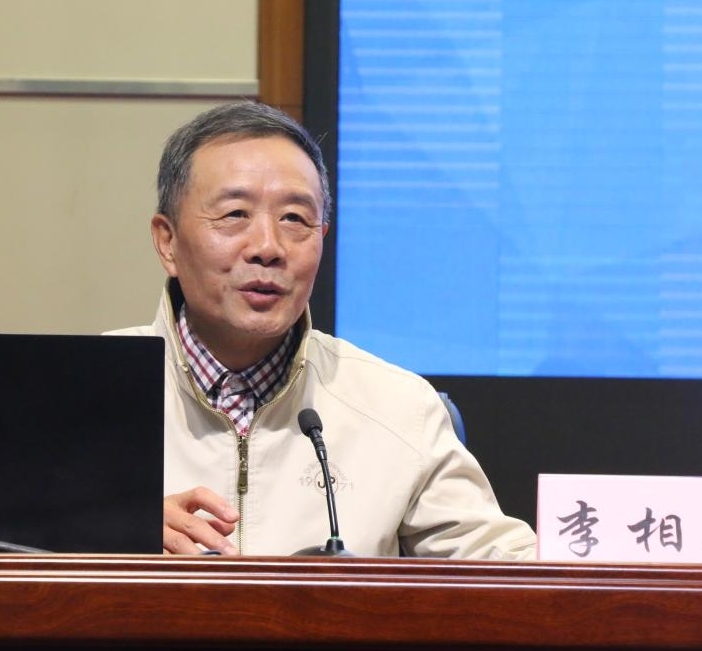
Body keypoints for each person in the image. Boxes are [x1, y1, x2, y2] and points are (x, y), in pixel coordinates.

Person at [109, 101, 536, 560]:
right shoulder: (77, 392)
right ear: (167, 242)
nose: (268, 247)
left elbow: (508, 568)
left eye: (294, 218)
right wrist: (108, 529)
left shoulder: (399, 408)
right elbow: (43, 550)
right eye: (234, 214)